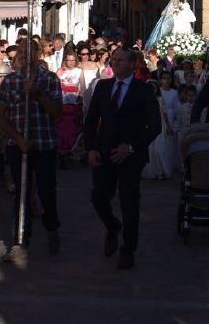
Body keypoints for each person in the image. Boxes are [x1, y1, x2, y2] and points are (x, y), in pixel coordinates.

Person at [84, 48, 162, 270]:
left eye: (120, 61)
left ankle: (128, 248)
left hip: (131, 155)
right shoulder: (103, 87)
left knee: (129, 202)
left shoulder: (143, 91)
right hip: (104, 152)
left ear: (132, 64)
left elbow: (154, 126)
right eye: (113, 60)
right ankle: (112, 226)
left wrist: (132, 147)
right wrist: (90, 148)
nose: (116, 64)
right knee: (99, 197)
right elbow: (90, 121)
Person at [0, 41, 63, 262]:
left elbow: (56, 111)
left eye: (28, 52)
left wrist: (37, 94)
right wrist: (17, 138)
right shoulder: (10, 81)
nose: (24, 56)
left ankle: (52, 228)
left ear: (37, 54)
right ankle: (20, 239)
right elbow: (1, 116)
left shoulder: (50, 79)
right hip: (19, 146)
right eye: (21, 52)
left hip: (44, 144)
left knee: (46, 190)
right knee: (21, 193)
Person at [56, 51, 84, 165]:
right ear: (65, 60)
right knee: (61, 129)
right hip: (61, 103)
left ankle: (69, 151)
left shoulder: (79, 71)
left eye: (73, 60)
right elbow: (55, 85)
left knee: (71, 129)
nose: (71, 62)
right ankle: (61, 152)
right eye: (69, 60)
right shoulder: (60, 71)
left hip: (73, 104)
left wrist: (80, 98)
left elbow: (83, 87)